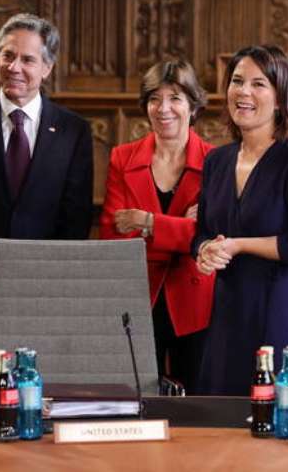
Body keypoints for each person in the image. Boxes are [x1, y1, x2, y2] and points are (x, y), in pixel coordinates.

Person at [0, 13, 93, 401]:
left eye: (27, 59)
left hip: (43, 303)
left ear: (47, 66)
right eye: (7, 56)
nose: (15, 68)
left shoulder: (74, 131)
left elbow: (74, 222)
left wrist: (38, 286)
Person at [193, 44, 288, 395]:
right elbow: (204, 232)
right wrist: (206, 249)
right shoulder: (217, 161)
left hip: (279, 316)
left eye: (258, 84)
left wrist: (239, 245)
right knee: (219, 437)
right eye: (237, 81)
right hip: (227, 317)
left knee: (277, 438)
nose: (243, 92)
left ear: (281, 97)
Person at [99, 60, 215, 394]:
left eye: (175, 97)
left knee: (197, 409)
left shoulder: (215, 163)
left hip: (195, 303)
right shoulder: (123, 158)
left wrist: (147, 222)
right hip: (137, 299)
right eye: (154, 98)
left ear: (193, 106)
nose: (163, 108)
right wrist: (181, 230)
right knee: (136, 405)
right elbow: (114, 236)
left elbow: (207, 238)